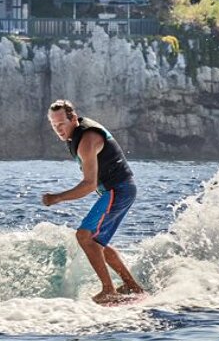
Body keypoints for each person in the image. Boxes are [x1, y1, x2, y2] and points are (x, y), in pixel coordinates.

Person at [42, 99, 145, 305]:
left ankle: (109, 290)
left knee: (84, 236)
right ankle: (133, 287)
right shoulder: (76, 136)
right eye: (54, 126)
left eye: (62, 124)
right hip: (118, 191)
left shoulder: (87, 140)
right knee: (99, 244)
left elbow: (89, 184)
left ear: (73, 118)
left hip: (118, 190)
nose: (59, 129)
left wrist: (57, 197)